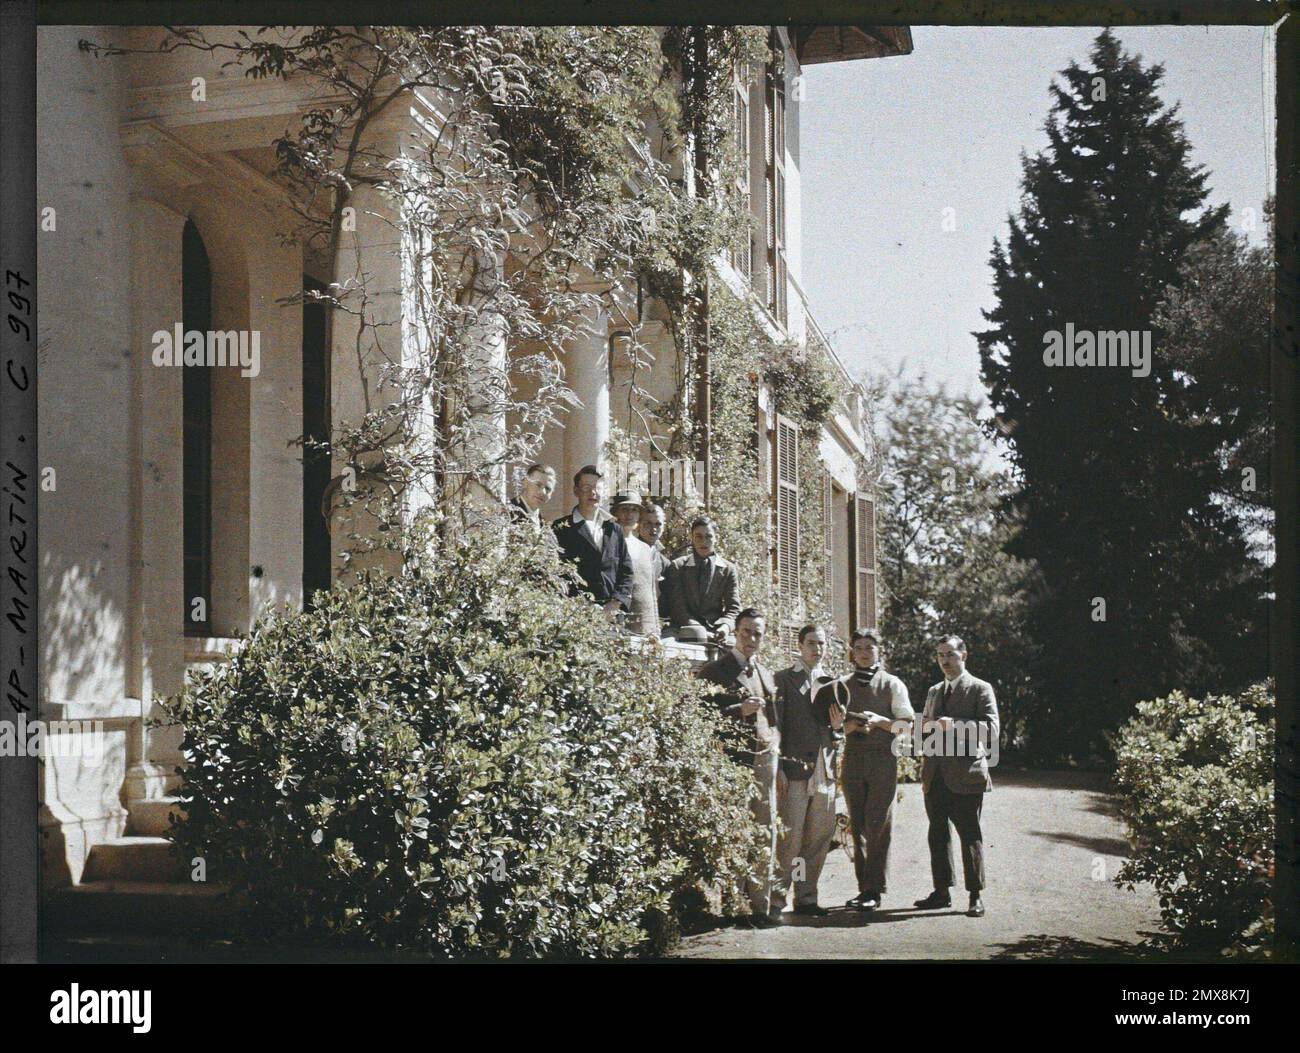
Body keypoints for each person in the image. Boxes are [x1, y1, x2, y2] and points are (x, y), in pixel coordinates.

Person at [696, 608, 781, 928]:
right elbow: (701, 716)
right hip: (732, 763)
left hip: (765, 761)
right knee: (736, 832)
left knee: (764, 831)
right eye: (746, 632)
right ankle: (735, 906)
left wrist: (776, 746)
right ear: (735, 632)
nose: (751, 639)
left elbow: (773, 719)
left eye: (757, 633)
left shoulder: (765, 673)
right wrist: (737, 710)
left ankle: (760, 905)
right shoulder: (716, 671)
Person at [825, 628, 913, 913]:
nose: (864, 653)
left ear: (879, 651)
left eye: (869, 648)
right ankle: (864, 887)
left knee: (879, 824)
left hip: (882, 760)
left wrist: (880, 722)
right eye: (859, 648)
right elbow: (831, 728)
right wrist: (847, 727)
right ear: (852, 652)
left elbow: (906, 726)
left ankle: (874, 889)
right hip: (852, 759)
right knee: (858, 824)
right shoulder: (841, 685)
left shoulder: (892, 684)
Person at [914, 635, 1000, 918]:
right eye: (940, 655)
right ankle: (941, 892)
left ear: (964, 655)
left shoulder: (980, 689)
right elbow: (923, 730)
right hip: (935, 775)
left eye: (950, 654)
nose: (945, 661)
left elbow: (991, 732)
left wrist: (956, 725)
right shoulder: (933, 691)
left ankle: (976, 896)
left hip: (966, 776)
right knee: (937, 835)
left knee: (969, 835)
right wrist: (923, 727)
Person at [772, 624, 840, 917]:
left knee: (815, 840)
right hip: (794, 771)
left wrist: (838, 729)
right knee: (791, 839)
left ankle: (805, 897)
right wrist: (778, 769)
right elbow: (776, 726)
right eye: (811, 642)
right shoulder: (784, 679)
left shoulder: (833, 683)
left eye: (822, 643)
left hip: (824, 771)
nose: (817, 648)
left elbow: (836, 732)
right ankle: (775, 901)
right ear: (799, 645)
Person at [551, 465, 632, 622]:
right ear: (576, 491)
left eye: (597, 488)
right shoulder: (561, 528)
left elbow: (626, 571)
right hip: (575, 615)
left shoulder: (614, 528)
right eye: (586, 487)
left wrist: (615, 603)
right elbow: (556, 572)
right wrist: (579, 607)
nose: (592, 493)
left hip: (612, 616)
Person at [664, 516, 740, 645]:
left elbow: (733, 608)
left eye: (709, 536)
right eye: (698, 536)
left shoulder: (728, 569)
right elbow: (677, 607)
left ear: (716, 538)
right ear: (692, 538)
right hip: (683, 629)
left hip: (715, 631)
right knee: (665, 646)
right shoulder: (678, 566)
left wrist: (725, 627)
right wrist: (698, 629)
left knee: (736, 653)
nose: (703, 541)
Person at [610, 491, 660, 635]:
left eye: (634, 509)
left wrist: (655, 628)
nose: (629, 515)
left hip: (645, 624)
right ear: (616, 512)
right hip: (620, 623)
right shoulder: (609, 543)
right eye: (624, 509)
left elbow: (651, 591)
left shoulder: (644, 547)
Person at [635, 501, 670, 621]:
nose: (653, 529)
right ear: (638, 524)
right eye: (648, 523)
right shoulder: (628, 552)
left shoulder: (665, 563)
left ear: (664, 527)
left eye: (658, 524)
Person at [509, 464, 555, 532]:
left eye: (548, 489)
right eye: (538, 485)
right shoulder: (508, 512)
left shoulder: (543, 524)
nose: (543, 492)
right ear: (525, 482)